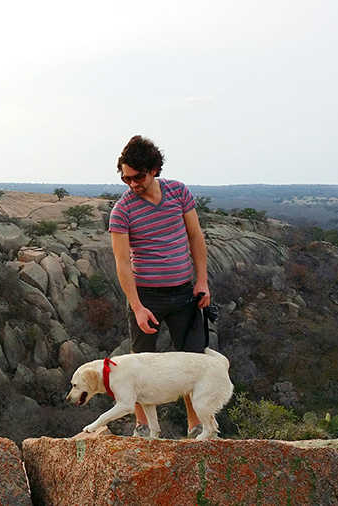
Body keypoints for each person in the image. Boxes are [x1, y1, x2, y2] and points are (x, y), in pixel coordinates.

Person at [108, 135, 211, 439]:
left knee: (193, 360)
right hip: (146, 296)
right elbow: (122, 262)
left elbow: (196, 237)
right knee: (139, 363)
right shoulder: (122, 210)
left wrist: (202, 280)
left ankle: (196, 427)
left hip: (183, 292)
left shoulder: (178, 192)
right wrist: (137, 307)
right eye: (126, 178)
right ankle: (143, 428)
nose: (132, 184)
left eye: (138, 176)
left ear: (154, 169)